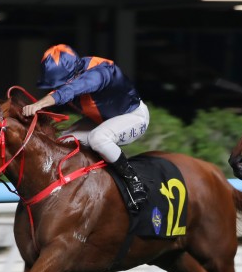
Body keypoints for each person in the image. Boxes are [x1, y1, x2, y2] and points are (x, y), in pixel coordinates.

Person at [23, 44, 150, 210]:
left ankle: (134, 182)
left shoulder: (100, 73)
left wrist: (40, 104)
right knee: (62, 141)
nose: (58, 87)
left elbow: (71, 90)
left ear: (74, 73)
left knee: (98, 138)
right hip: (100, 119)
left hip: (132, 116)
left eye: (61, 83)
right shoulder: (72, 73)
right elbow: (63, 90)